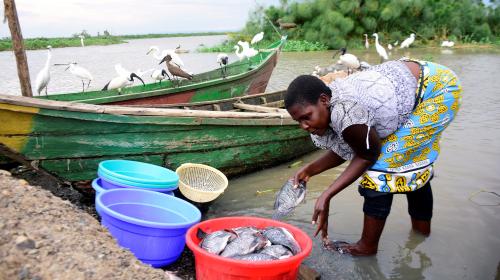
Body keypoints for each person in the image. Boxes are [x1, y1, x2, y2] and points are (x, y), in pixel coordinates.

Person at [284, 59, 462, 256]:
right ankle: (421, 235)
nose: (304, 126)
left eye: (306, 117)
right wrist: (310, 170)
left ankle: (367, 247)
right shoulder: (327, 109)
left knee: (379, 170)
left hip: (437, 91)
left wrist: (327, 195)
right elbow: (351, 146)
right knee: (411, 164)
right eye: (298, 121)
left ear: (324, 100)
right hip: (419, 79)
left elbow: (367, 155)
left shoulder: (346, 111)